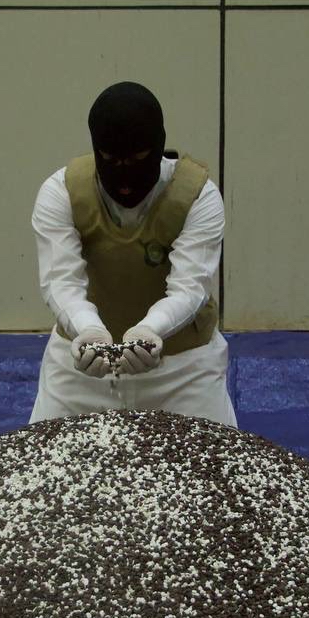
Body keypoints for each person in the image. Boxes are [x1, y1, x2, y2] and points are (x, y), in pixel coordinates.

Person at [29, 82, 237, 427]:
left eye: (139, 159)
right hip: (80, 369)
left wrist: (150, 330)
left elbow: (191, 287)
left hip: (184, 371)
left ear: (158, 146)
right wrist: (88, 331)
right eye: (110, 160)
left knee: (218, 460)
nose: (125, 174)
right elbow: (60, 281)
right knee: (40, 459)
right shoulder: (61, 192)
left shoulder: (198, 196)